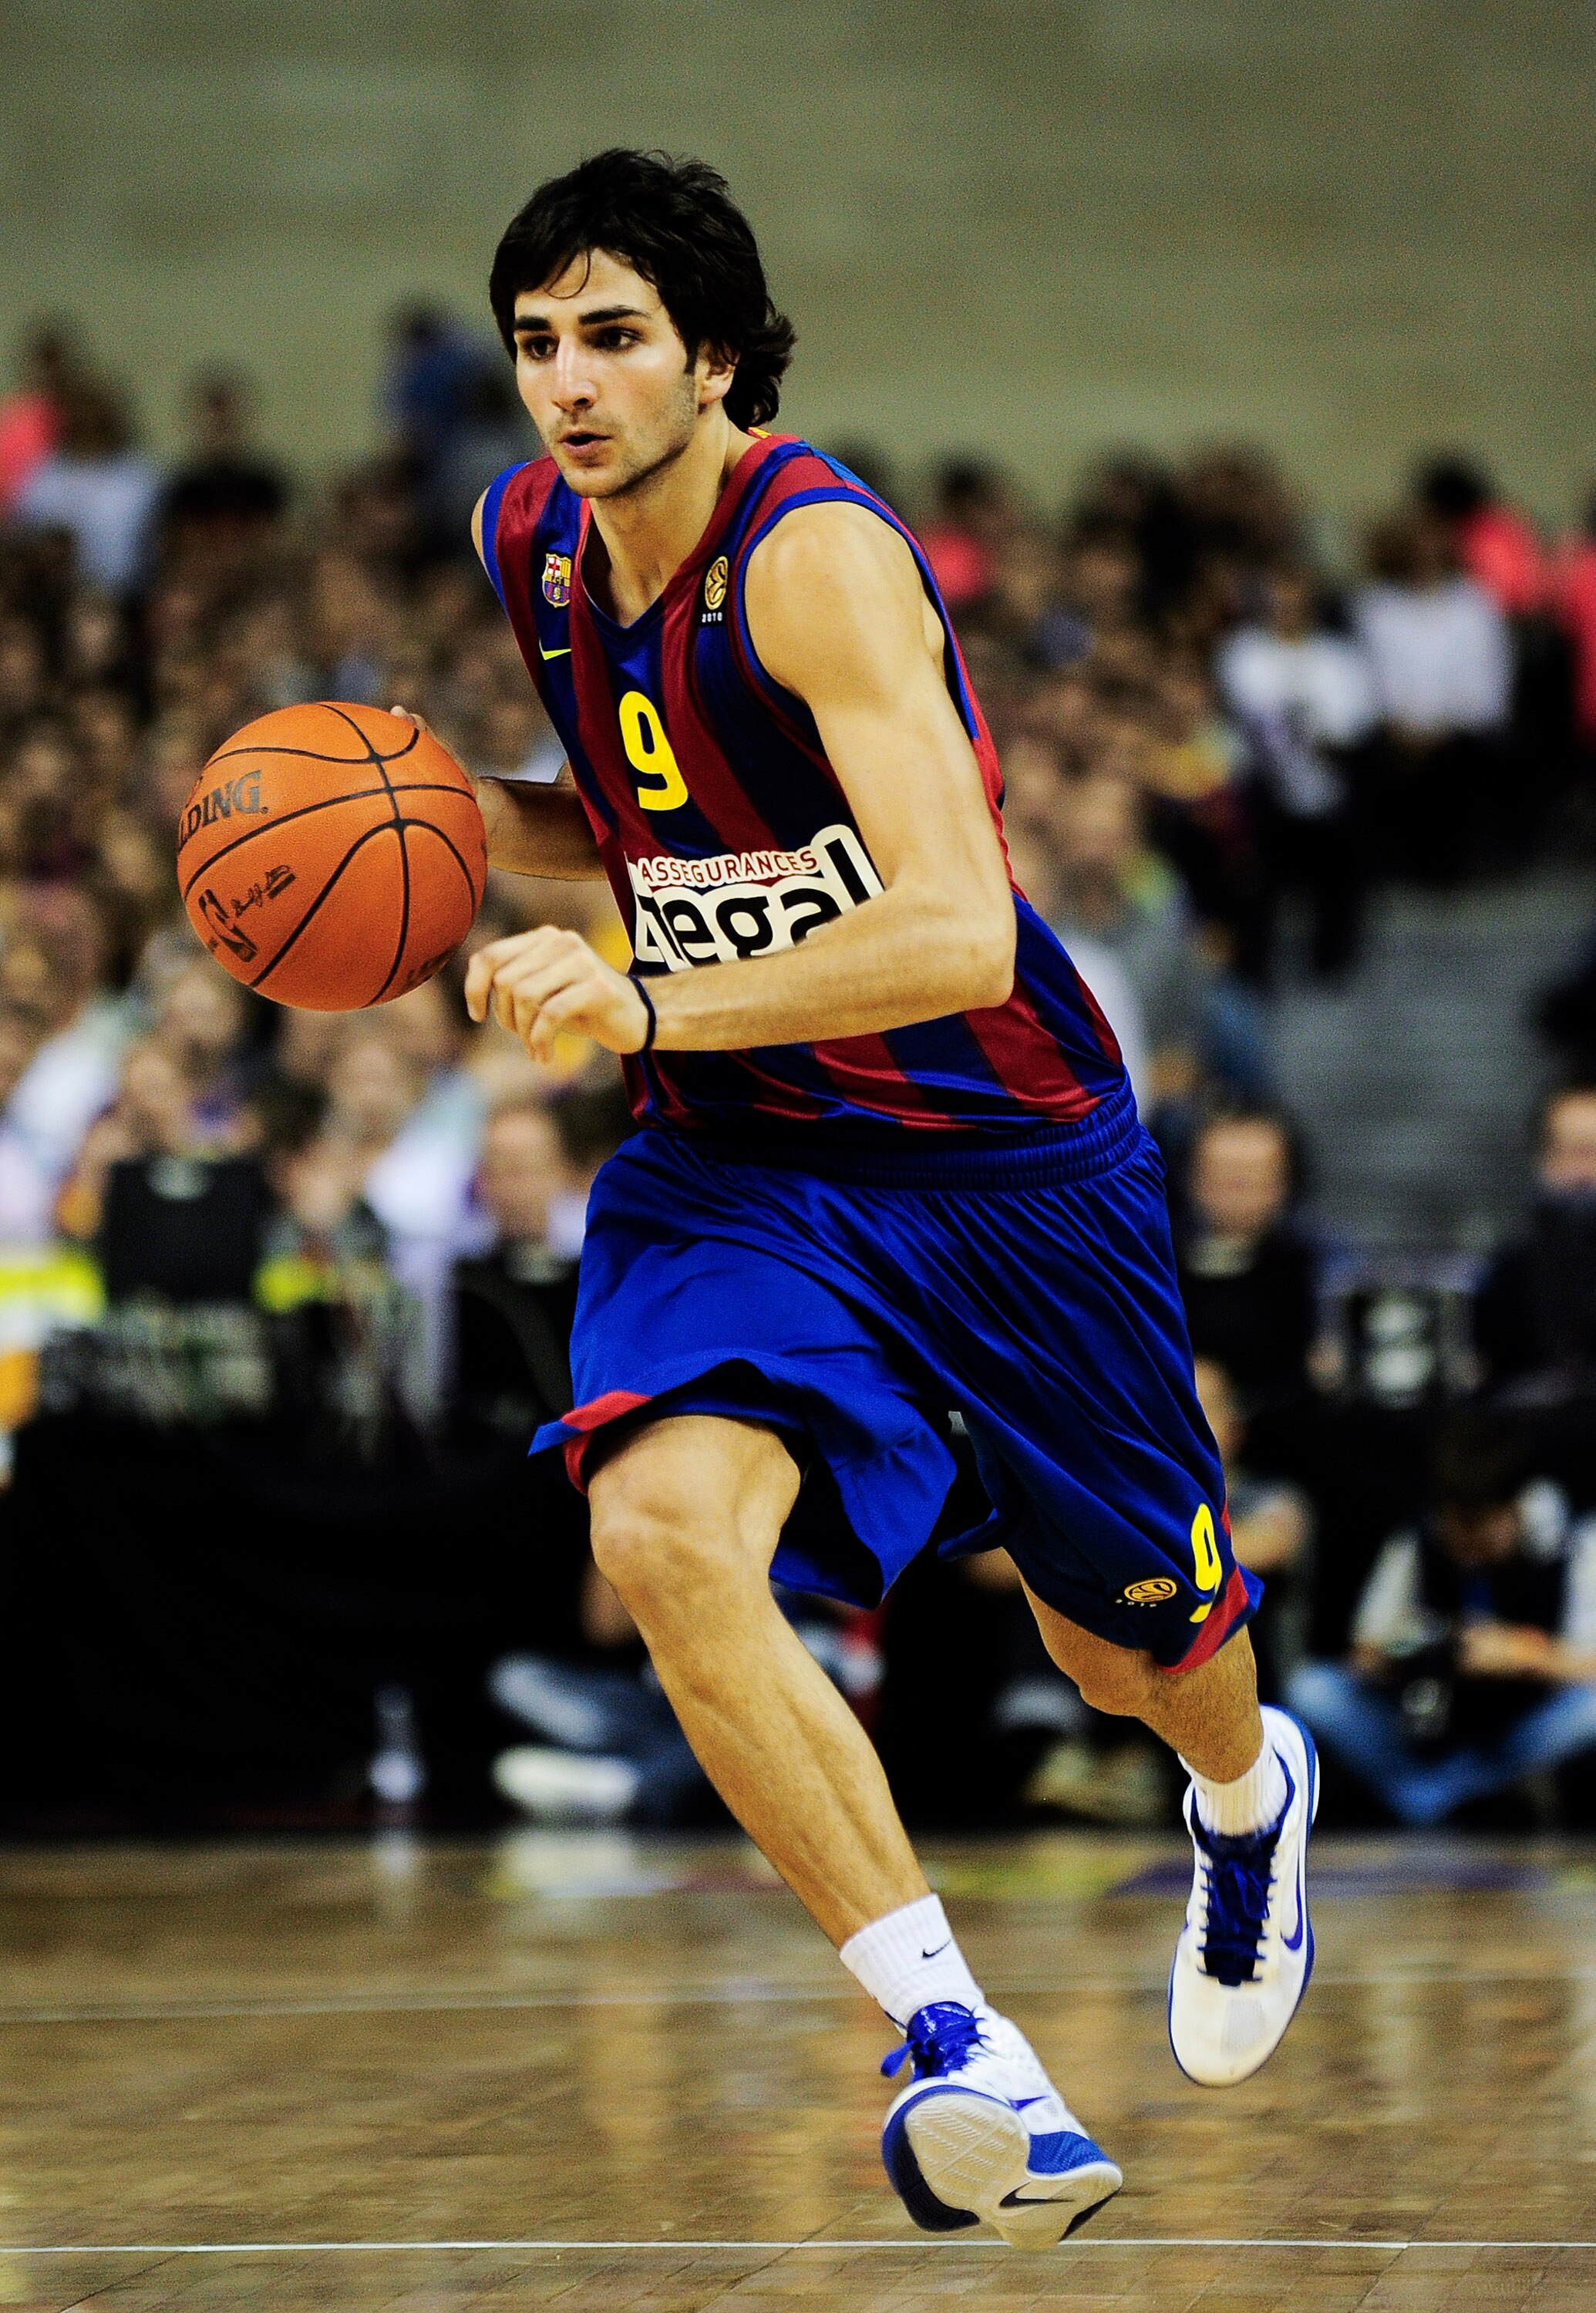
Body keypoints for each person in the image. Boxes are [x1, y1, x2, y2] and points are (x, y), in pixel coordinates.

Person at [402, 149, 1316, 2248]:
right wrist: (437, 825)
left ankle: (1245, 1800)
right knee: (652, 1523)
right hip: (735, 1164)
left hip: (995, 1157)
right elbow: (631, 806)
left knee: (1135, 1653)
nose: (566, 381)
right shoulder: (522, 539)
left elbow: (955, 930)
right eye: (536, 340)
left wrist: (641, 979)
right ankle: (957, 2045)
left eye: (614, 336)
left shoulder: (811, 564)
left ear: (714, 356)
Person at [1288, 1415, 1596, 1826]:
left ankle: (1442, 1800)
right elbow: (1364, 1650)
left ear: (1515, 1506)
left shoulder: (1572, 1540)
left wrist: (1517, 1653)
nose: (1466, 1544)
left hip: (1518, 1731)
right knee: (1313, 1689)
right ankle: (1444, 1800)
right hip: (1429, 1725)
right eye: (1456, 1527)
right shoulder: (1419, 1539)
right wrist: (1422, 1646)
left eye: (1481, 1529)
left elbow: (1588, 1663)